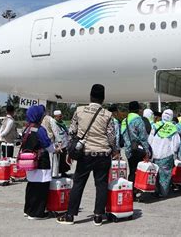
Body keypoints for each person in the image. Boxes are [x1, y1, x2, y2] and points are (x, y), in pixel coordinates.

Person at [57, 84, 116, 226]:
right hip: (103, 154)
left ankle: (70, 215)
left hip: (85, 154)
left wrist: (70, 151)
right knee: (101, 184)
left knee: (78, 184)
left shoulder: (79, 111)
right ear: (103, 99)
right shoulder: (108, 115)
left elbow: (71, 132)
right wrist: (114, 150)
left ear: (90, 97)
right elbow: (111, 137)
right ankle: (98, 216)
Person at [22, 105, 57, 220]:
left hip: (29, 162)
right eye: (42, 115)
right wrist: (56, 148)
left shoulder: (26, 128)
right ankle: (37, 213)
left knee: (31, 186)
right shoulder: (39, 129)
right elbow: (48, 146)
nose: (43, 117)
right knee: (41, 187)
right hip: (40, 161)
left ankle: (28, 210)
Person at [149, 109, 180, 197]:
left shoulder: (155, 126)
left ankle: (155, 191)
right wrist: (174, 153)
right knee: (165, 175)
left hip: (155, 155)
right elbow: (176, 144)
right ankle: (164, 193)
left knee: (155, 174)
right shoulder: (173, 128)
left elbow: (150, 140)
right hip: (167, 154)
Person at [121, 101, 151, 184]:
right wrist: (146, 152)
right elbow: (143, 137)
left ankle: (130, 191)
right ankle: (135, 189)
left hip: (128, 150)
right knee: (138, 171)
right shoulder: (138, 120)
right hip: (137, 149)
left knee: (132, 170)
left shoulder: (124, 120)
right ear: (138, 109)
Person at [53, 110, 70, 177]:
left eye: (61, 116)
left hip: (64, 143)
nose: (61, 117)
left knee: (64, 159)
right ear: (55, 116)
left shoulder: (62, 123)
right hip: (58, 144)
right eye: (59, 116)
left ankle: (63, 172)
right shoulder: (54, 123)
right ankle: (58, 173)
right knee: (58, 160)